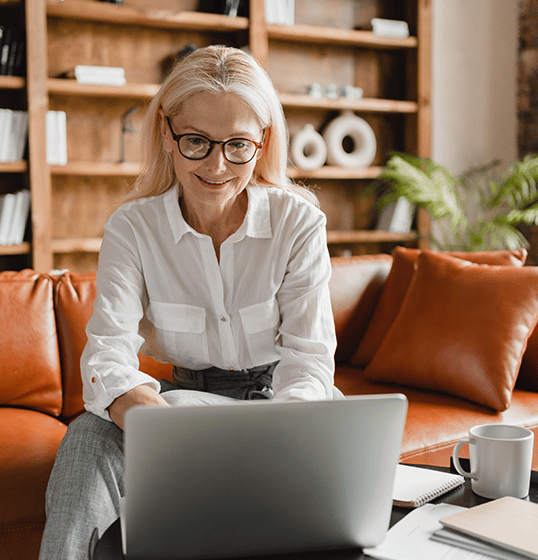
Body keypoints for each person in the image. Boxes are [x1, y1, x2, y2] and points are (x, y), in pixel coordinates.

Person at [39, 45, 340, 560]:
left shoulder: (298, 223)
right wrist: (166, 432)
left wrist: (279, 439)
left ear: (263, 142)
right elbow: (107, 357)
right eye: (197, 141)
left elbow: (309, 363)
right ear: (167, 133)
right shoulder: (133, 229)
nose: (217, 165)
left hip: (283, 409)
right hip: (177, 409)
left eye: (238, 145)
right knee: (87, 439)